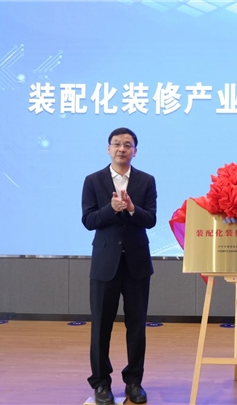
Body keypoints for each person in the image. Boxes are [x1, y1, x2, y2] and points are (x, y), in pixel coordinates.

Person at [81, 127, 157, 405]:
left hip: (137, 264)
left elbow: (151, 219)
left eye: (127, 145)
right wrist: (111, 209)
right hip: (105, 264)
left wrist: (132, 209)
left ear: (135, 151)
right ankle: (101, 384)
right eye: (117, 144)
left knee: (136, 327)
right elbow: (89, 220)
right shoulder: (93, 181)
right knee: (101, 327)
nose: (122, 149)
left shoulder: (146, 181)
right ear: (108, 149)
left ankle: (134, 382)